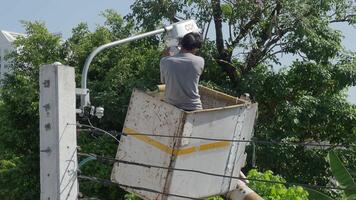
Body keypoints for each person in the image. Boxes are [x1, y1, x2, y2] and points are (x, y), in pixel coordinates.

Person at [160, 32, 204, 111]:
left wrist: (167, 54)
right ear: (195, 48)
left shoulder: (165, 61)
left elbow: (163, 81)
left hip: (171, 107)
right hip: (194, 107)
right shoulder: (200, 61)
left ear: (181, 44)